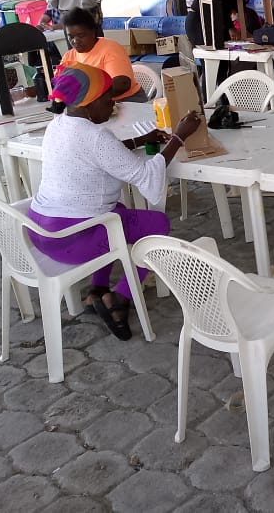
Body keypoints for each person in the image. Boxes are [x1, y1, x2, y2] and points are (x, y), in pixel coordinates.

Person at [28, 63, 202, 340]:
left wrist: (139, 140)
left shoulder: (58, 124)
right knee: (157, 223)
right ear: (88, 104)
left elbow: (97, 155)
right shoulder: (96, 136)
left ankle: (97, 290)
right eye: (107, 97)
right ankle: (120, 298)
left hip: (42, 230)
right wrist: (179, 136)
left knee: (116, 211)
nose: (113, 103)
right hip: (72, 240)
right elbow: (146, 175)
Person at [58, 8, 148, 103]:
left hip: (127, 101)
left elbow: (122, 83)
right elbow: (61, 85)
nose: (75, 41)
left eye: (81, 36)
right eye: (71, 37)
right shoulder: (68, 57)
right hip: (92, 105)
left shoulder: (110, 49)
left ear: (93, 32)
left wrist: (88, 96)